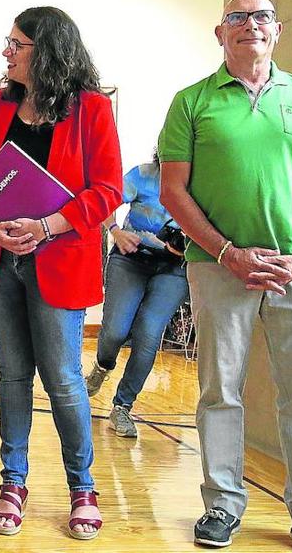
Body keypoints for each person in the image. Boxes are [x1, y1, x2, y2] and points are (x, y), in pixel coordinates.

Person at [159, 0, 292, 551]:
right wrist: (227, 252)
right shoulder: (191, 102)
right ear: (220, 33)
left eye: (261, 17)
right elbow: (173, 190)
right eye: (237, 17)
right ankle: (223, 505)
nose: (250, 25)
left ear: (277, 30)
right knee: (219, 390)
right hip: (218, 267)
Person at [0, 6, 122, 539]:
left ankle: (82, 487)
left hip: (60, 262)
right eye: (7, 43)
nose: (6, 52)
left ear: (46, 50)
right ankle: (13, 482)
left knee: (63, 381)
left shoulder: (92, 109)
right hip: (2, 262)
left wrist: (49, 225)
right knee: (11, 376)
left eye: (16, 44)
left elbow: (107, 191)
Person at [84, 155, 189, 438]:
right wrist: (115, 232)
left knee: (149, 333)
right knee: (116, 331)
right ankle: (102, 366)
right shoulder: (144, 174)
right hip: (129, 259)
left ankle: (122, 407)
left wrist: (190, 246)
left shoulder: (205, 183)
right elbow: (107, 200)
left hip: (174, 268)